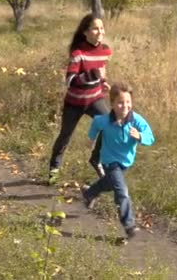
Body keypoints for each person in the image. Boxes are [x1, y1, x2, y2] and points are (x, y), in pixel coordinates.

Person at [81, 83, 155, 239]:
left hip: (125, 162)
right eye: (120, 103)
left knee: (110, 183)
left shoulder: (136, 120)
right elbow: (95, 124)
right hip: (109, 161)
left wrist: (140, 136)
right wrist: (91, 139)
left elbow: (150, 137)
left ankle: (89, 193)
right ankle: (129, 225)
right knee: (121, 191)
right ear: (112, 104)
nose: (124, 106)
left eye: (128, 102)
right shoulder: (105, 120)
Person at [48, 14, 112, 184]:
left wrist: (104, 83)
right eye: (95, 28)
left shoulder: (106, 51)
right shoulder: (78, 53)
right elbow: (70, 81)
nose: (100, 32)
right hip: (74, 103)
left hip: (95, 100)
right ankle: (54, 169)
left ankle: (95, 159)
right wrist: (93, 75)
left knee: (110, 125)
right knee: (65, 136)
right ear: (85, 32)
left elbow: (101, 73)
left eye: (101, 28)